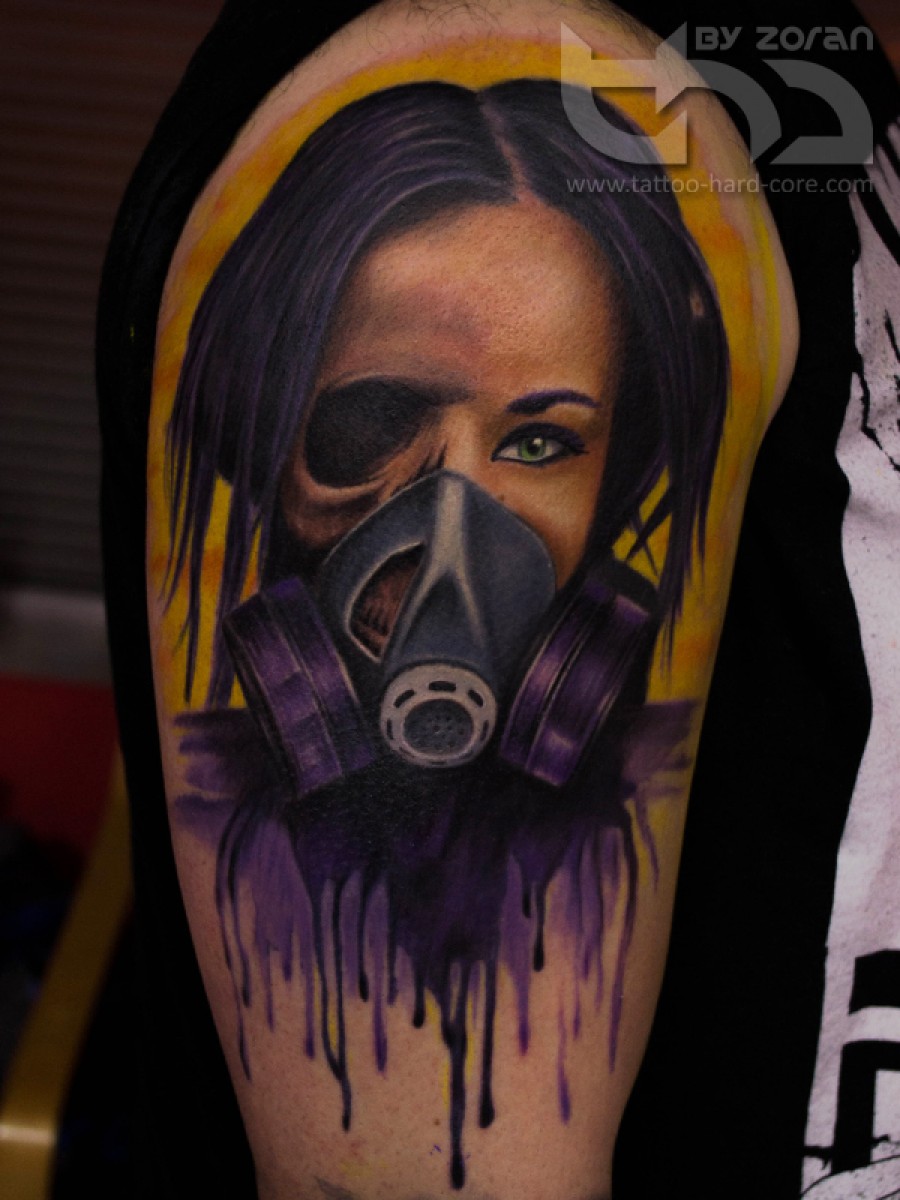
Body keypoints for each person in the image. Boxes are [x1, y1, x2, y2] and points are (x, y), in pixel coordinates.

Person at [96, 1, 900, 1197]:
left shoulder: (762, 80)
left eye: (539, 444)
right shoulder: (571, 56)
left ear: (624, 473)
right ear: (254, 449)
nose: (452, 534)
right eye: (371, 424)